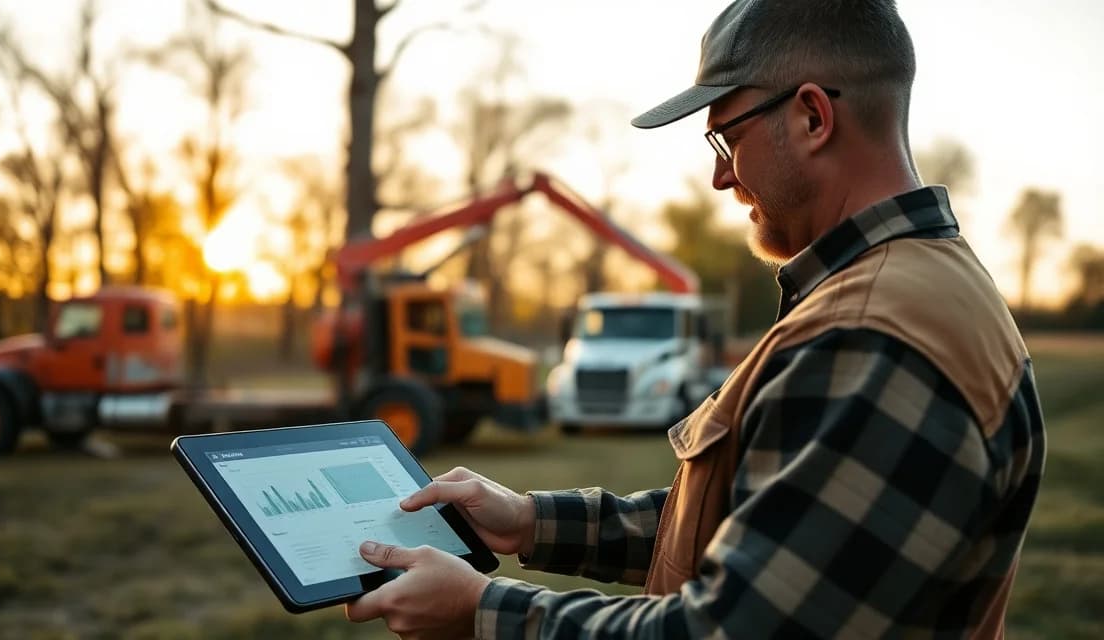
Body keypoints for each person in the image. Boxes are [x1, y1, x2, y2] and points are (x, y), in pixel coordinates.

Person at [345, 0, 1046, 637]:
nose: (719, 177)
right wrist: (530, 519)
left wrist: (481, 611)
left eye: (727, 139)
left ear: (811, 117)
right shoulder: (912, 288)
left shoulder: (872, 337)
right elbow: (764, 526)